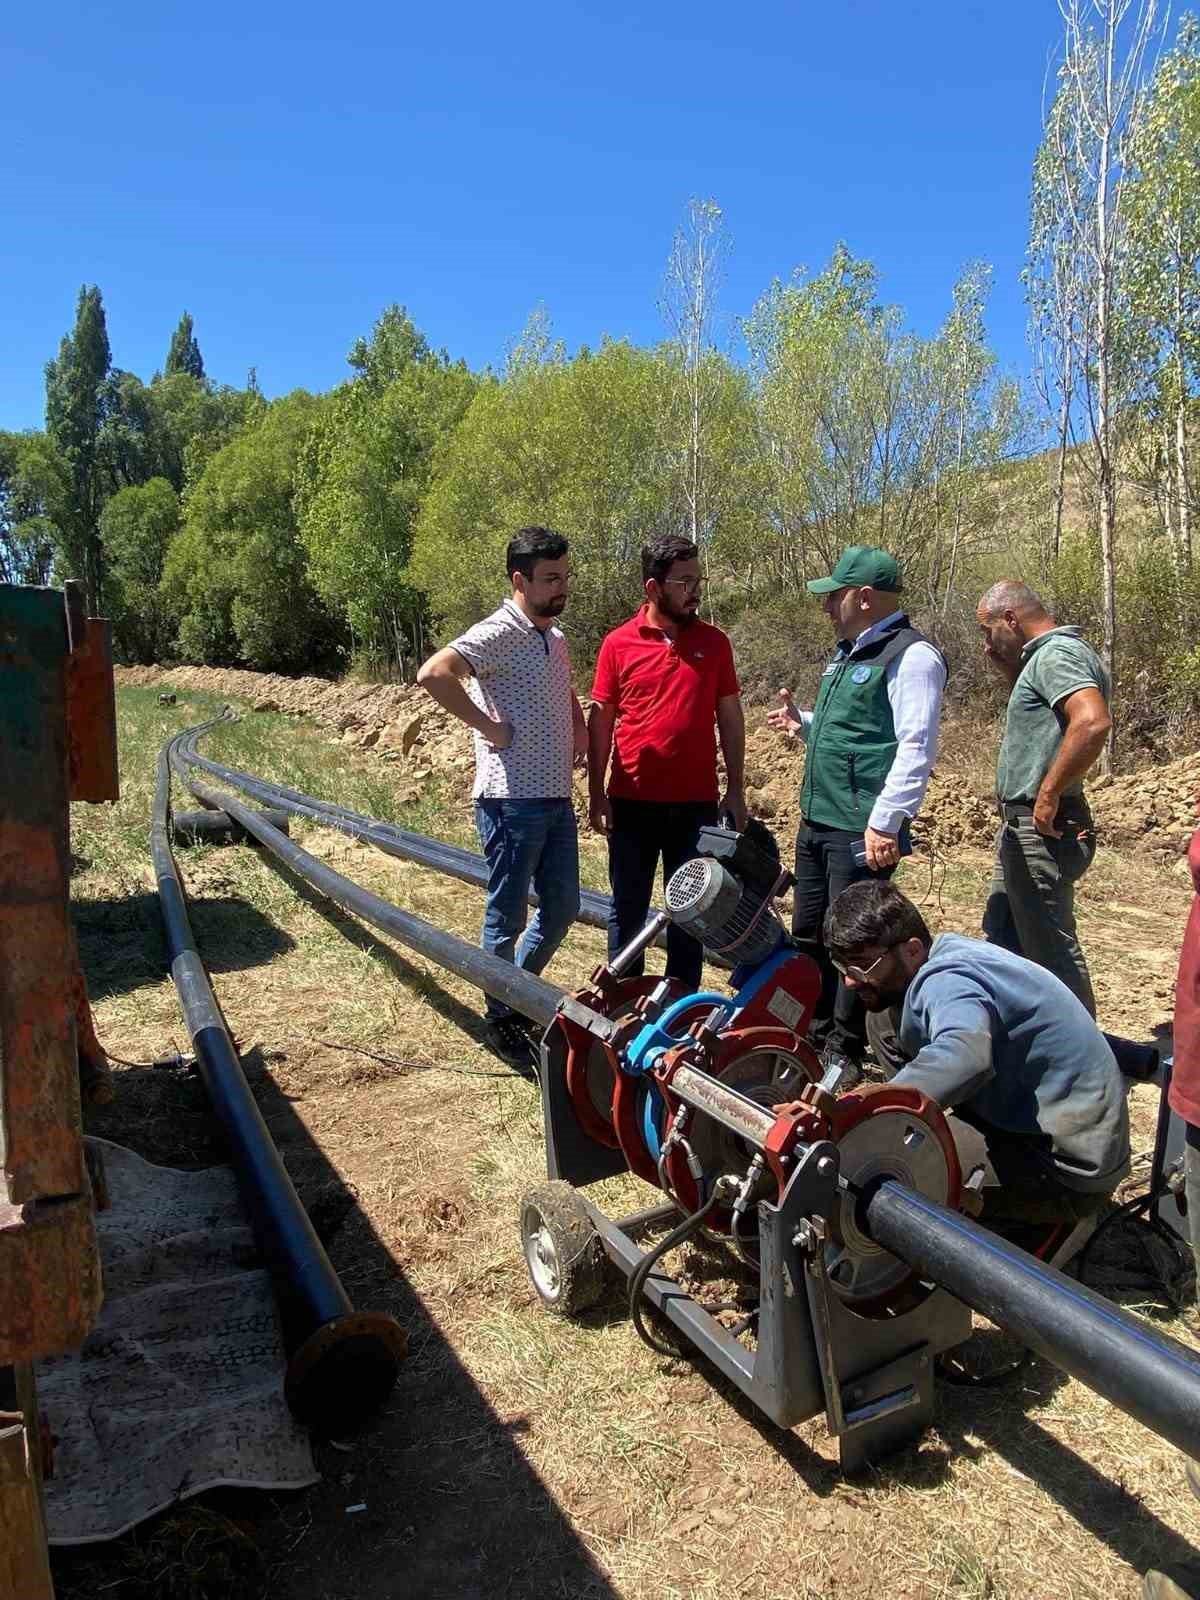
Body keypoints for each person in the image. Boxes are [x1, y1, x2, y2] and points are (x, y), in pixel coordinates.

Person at [823, 879, 1131, 1229]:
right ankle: (914, 1123)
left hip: (1064, 1166)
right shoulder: (938, 955)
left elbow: (966, 1053)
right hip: (1030, 1121)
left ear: (911, 950)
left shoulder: (948, 980)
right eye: (843, 967)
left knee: (894, 1163)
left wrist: (865, 1108)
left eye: (862, 966)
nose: (849, 981)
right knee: (881, 1016)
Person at [767, 544, 945, 1082]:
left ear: (863, 598)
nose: (827, 608)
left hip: (858, 827)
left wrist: (885, 820)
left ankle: (843, 1050)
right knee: (809, 931)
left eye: (835, 597)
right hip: (818, 817)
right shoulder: (848, 653)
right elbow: (853, 730)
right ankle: (811, 1031)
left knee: (852, 941)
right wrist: (804, 722)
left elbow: (915, 746)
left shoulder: (913, 657)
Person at [416, 527, 586, 1068]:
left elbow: (562, 691)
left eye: (565, 576)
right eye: (550, 579)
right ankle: (502, 1016)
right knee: (507, 915)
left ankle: (516, 990)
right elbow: (434, 673)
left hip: (555, 796)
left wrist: (578, 726)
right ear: (520, 580)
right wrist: (488, 726)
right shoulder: (498, 631)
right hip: (511, 800)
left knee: (563, 907)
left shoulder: (552, 637)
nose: (562, 587)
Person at [588, 534, 745, 991]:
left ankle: (678, 1005)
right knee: (628, 909)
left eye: (698, 580)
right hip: (632, 804)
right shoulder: (618, 644)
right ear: (653, 588)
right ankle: (621, 1000)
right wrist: (596, 793)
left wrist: (735, 789)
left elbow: (730, 718)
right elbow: (601, 724)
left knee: (693, 910)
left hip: (696, 806)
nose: (695, 591)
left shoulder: (715, 644)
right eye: (684, 582)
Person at [976, 580, 1111, 1015]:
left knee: (1049, 952)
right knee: (1005, 936)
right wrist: (1008, 669)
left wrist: (1049, 793)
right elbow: (1046, 721)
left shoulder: (1057, 654)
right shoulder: (1047, 658)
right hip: (1024, 825)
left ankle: (1085, 1068)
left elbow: (1091, 722)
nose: (987, 641)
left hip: (1042, 826)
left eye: (988, 629)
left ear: (1010, 619)